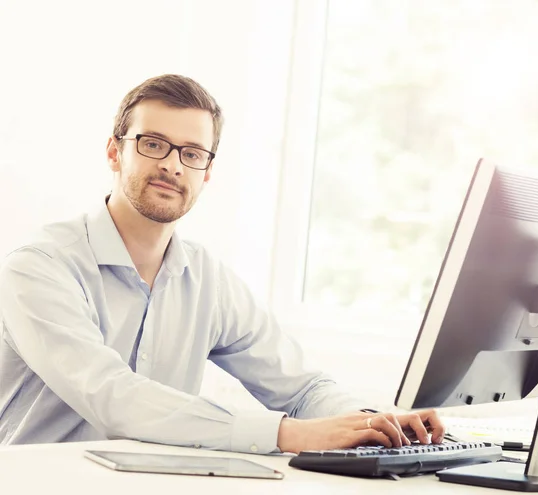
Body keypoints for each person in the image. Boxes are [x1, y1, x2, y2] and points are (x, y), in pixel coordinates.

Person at [0, 74, 444, 453]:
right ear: (115, 153)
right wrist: (289, 434)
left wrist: (372, 424)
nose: (174, 166)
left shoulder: (206, 277)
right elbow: (114, 397)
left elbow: (302, 388)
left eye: (192, 153)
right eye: (154, 144)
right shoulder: (39, 268)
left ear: (207, 172)